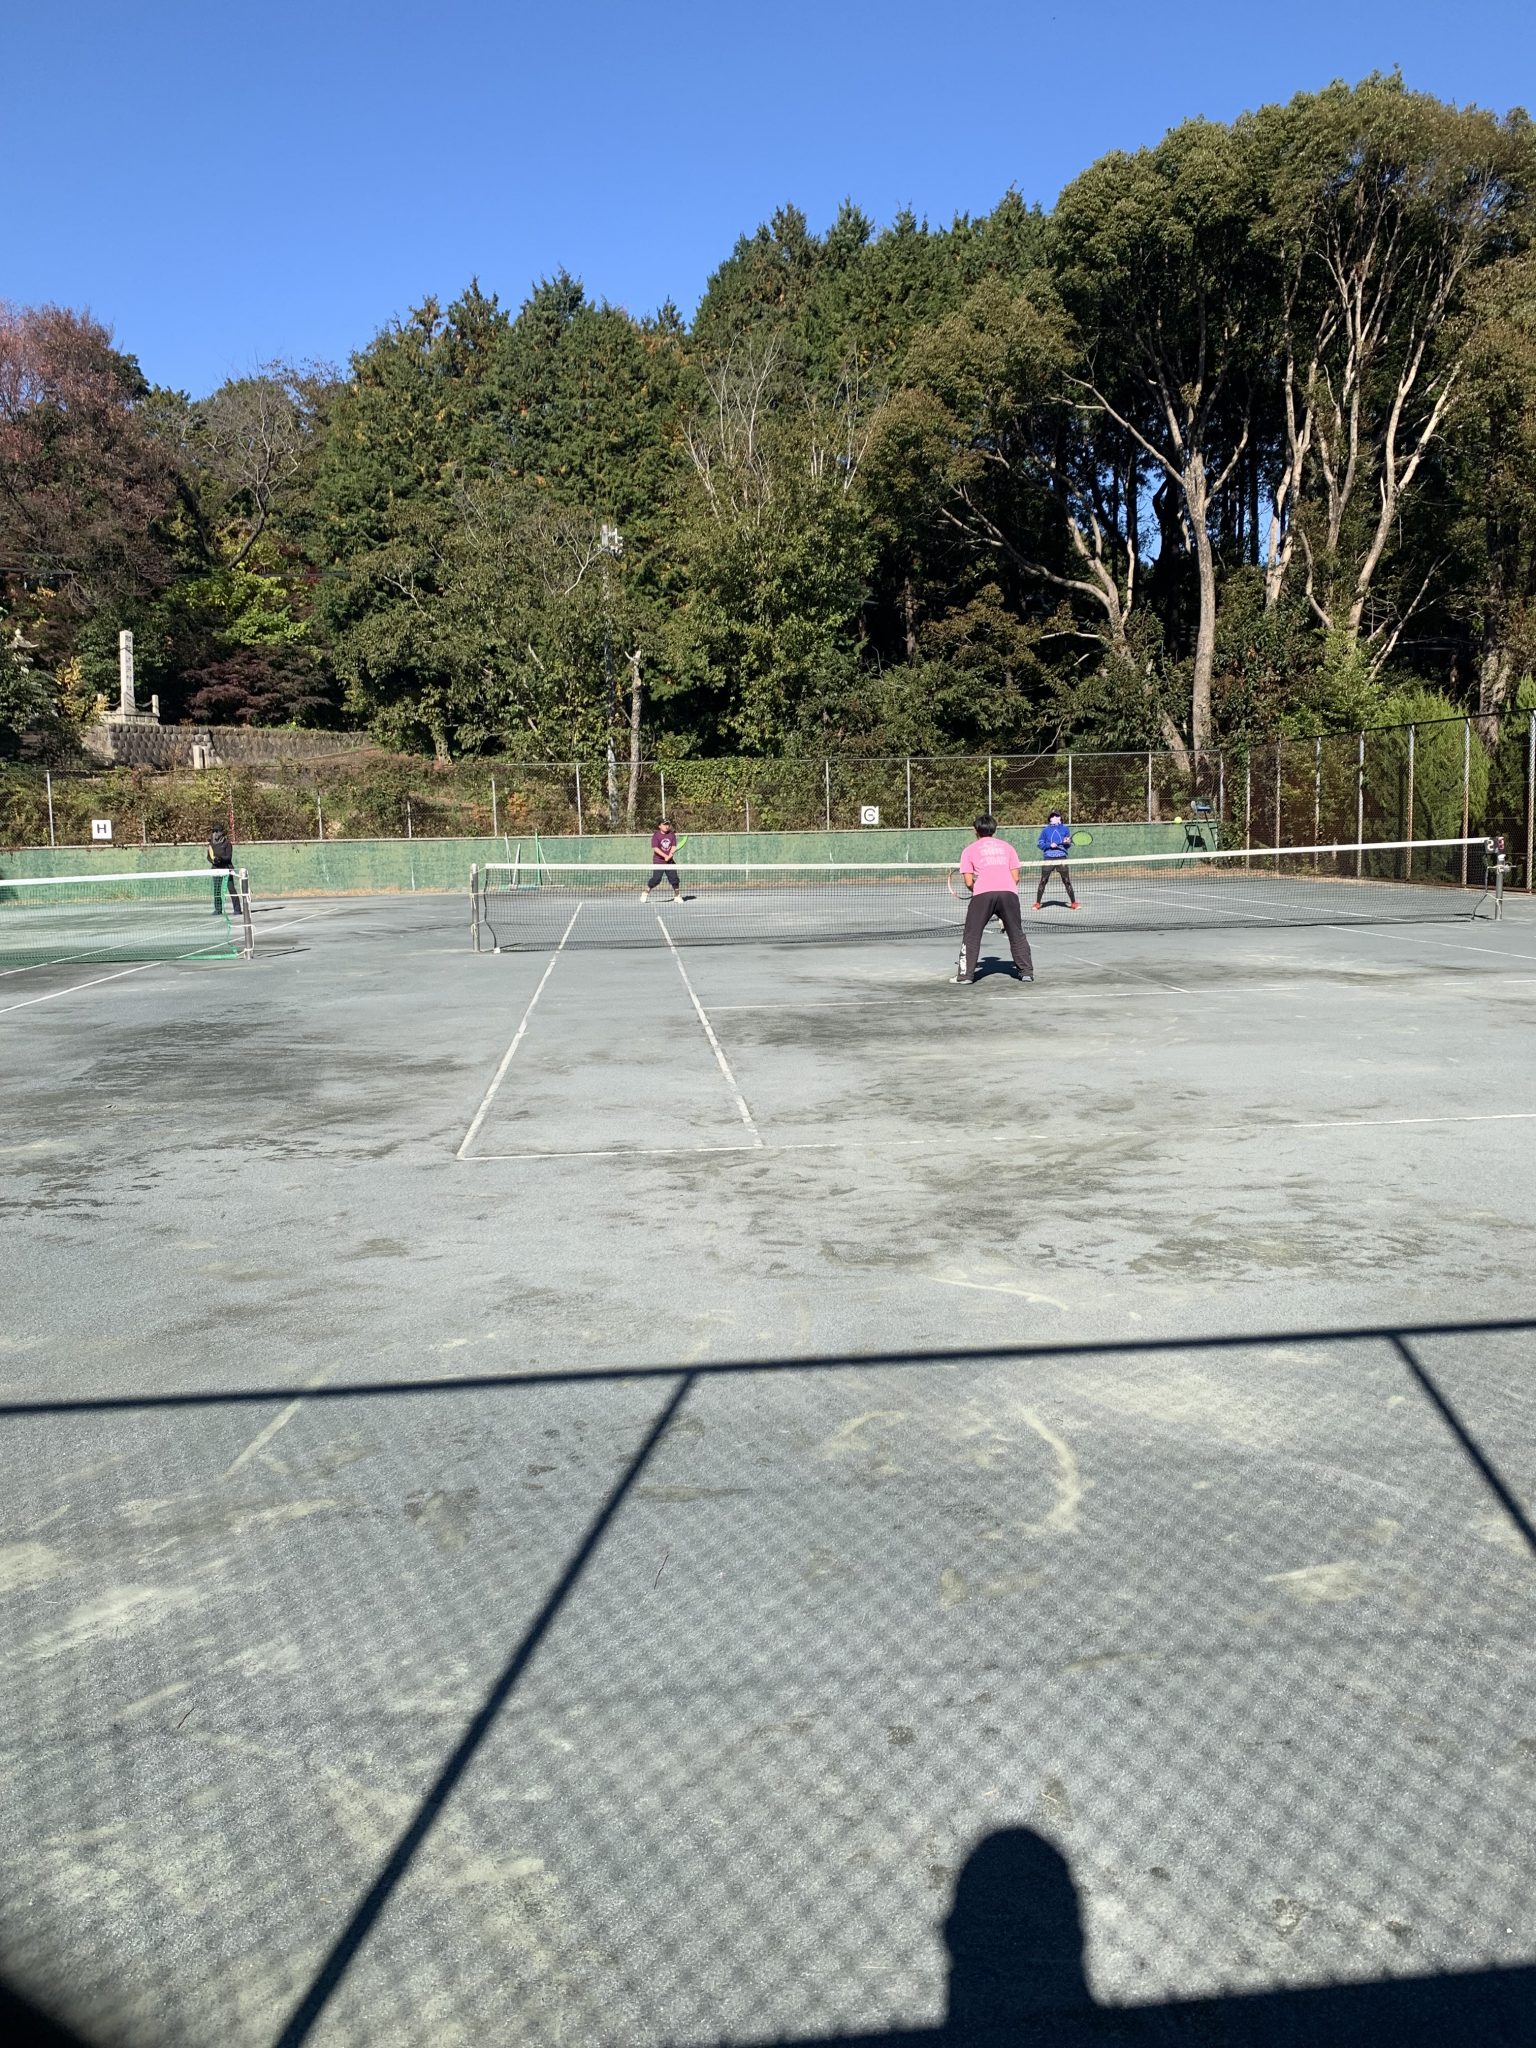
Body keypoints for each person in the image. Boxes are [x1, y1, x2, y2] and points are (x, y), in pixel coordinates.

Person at [952, 816, 1034, 985]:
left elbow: (969, 882)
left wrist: (979, 890)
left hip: (983, 895)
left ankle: (965, 976)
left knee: (972, 935)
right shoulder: (1008, 847)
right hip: (1009, 894)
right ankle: (1026, 973)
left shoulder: (969, 850)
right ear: (994, 829)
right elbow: (1015, 878)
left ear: (975, 830)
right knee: (1016, 932)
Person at [1034, 811, 1079, 910]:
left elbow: (1068, 845)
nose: (1055, 817)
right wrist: (1049, 845)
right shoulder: (1045, 830)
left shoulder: (1065, 829)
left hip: (1061, 857)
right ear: (1050, 819)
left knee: (1066, 880)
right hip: (1048, 858)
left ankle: (1073, 903)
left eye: (1057, 816)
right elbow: (1040, 843)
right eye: (1053, 816)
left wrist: (1067, 842)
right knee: (1043, 880)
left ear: (1060, 818)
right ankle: (1037, 903)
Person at [640, 816, 682, 902]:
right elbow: (655, 848)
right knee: (656, 879)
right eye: (664, 824)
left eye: (668, 824)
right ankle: (645, 892)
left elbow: (673, 846)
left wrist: (670, 855)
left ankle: (677, 896)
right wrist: (665, 856)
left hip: (670, 861)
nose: (667, 826)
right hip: (658, 861)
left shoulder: (672, 834)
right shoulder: (656, 835)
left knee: (674, 879)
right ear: (659, 826)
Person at [207, 819, 239, 915]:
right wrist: (213, 860)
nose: (215, 834)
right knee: (217, 889)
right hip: (216, 869)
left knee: (231, 889)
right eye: (214, 831)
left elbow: (229, 857)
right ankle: (218, 909)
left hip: (227, 868)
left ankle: (237, 909)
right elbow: (208, 857)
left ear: (221, 832)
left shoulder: (227, 843)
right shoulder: (211, 844)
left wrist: (220, 859)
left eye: (217, 831)